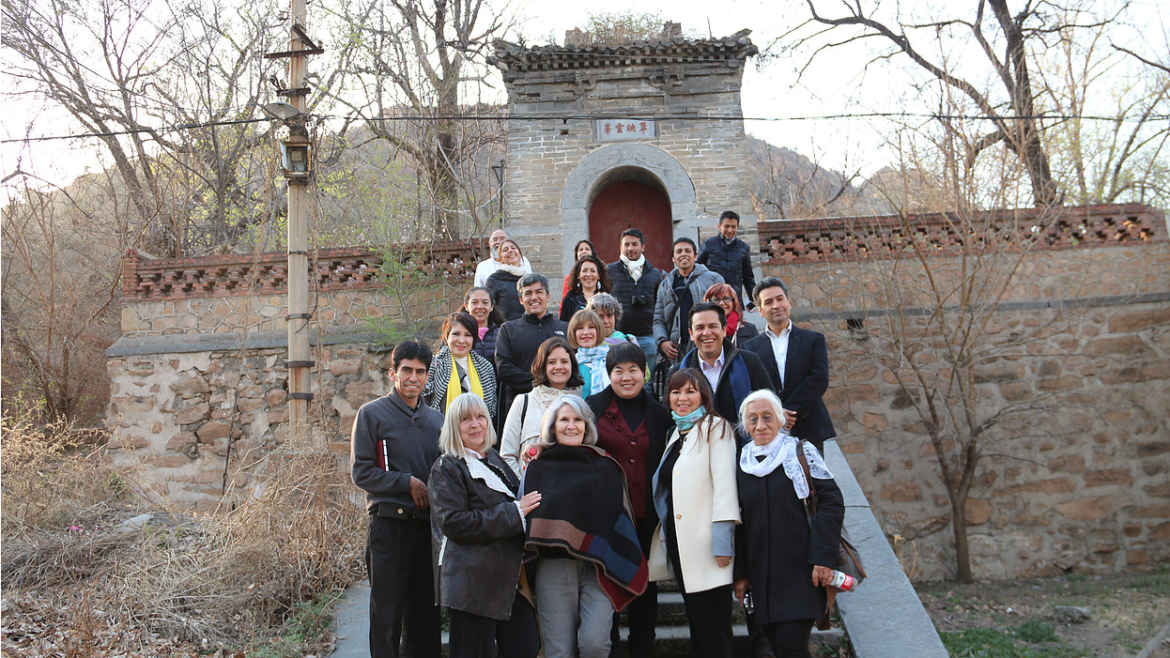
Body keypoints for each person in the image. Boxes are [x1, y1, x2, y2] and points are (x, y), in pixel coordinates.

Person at [521, 396, 649, 658]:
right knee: (559, 651)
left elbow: (618, 520)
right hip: (553, 568)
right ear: (552, 426)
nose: (571, 426)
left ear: (587, 426)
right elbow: (525, 519)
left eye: (578, 420)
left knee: (595, 645)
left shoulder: (605, 466)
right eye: (564, 420)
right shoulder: (537, 467)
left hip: (598, 567)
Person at [427, 393, 542, 658]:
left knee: (525, 647)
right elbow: (455, 523)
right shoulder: (446, 467)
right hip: (471, 584)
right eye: (465, 419)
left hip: (508, 578)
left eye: (480, 416)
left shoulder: (494, 461)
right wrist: (513, 513)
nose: (475, 424)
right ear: (453, 427)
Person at [350, 340, 443, 658]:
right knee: (386, 617)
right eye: (406, 370)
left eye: (420, 372)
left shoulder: (437, 421)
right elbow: (361, 472)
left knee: (424, 620)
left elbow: (444, 473)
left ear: (428, 377)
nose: (413, 378)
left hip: (426, 532)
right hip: (389, 527)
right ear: (393, 373)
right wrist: (407, 483)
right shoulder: (372, 414)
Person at [734, 389, 844, 658]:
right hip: (763, 578)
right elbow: (741, 524)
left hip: (802, 573)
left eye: (767, 417)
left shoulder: (800, 452)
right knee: (777, 649)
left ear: (781, 420)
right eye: (753, 419)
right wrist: (742, 574)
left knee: (791, 649)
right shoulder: (743, 462)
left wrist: (823, 558)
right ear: (745, 426)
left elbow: (832, 504)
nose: (760, 425)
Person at [585, 342, 671, 658]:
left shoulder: (661, 415)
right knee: (607, 587)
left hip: (647, 516)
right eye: (618, 370)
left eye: (633, 369)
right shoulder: (591, 409)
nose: (626, 377)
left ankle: (642, 650)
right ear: (609, 374)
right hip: (606, 517)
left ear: (643, 372)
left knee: (644, 588)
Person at [648, 369, 740, 658]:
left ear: (703, 395)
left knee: (715, 626)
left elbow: (726, 487)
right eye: (676, 392)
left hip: (710, 544)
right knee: (698, 622)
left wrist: (723, 542)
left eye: (690, 391)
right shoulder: (675, 433)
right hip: (682, 544)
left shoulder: (717, 428)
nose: (682, 398)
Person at [741, 277, 835, 453]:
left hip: (808, 426)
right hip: (768, 429)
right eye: (768, 302)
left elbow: (818, 379)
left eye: (779, 299)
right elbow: (753, 386)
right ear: (760, 311)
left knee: (811, 479)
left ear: (789, 303)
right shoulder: (750, 348)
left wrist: (790, 411)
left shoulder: (813, 340)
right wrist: (776, 414)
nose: (776, 305)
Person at [667, 302, 772, 426]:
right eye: (700, 328)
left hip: (742, 443)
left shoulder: (749, 362)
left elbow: (768, 405)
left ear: (724, 330)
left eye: (713, 326)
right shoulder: (678, 372)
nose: (706, 333)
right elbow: (669, 418)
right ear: (691, 334)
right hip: (695, 442)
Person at [498, 336, 582, 476]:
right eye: (552, 362)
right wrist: (523, 488)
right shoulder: (523, 402)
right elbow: (507, 455)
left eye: (564, 361)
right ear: (542, 366)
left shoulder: (582, 404)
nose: (559, 367)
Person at [494, 273, 570, 414]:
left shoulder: (564, 328)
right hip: (522, 407)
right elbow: (504, 369)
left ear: (547, 296)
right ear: (521, 300)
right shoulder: (508, 329)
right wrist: (544, 381)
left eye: (539, 292)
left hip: (561, 406)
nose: (534, 297)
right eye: (528, 293)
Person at [654, 237, 723, 363]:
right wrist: (662, 341)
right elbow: (658, 318)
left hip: (706, 343)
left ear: (695, 256)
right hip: (677, 349)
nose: (683, 254)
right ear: (673, 258)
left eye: (687, 251)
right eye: (679, 251)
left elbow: (724, 312)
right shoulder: (665, 285)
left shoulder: (713, 279)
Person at [607, 228, 664, 372]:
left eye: (634, 244)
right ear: (620, 247)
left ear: (642, 247)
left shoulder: (655, 274)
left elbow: (660, 305)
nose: (630, 248)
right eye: (626, 245)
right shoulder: (609, 271)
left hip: (647, 336)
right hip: (618, 336)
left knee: (648, 380)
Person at [424, 312, 498, 421]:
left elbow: (491, 409)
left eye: (467, 335)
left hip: (477, 431)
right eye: (456, 334)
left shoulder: (485, 367)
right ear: (446, 337)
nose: (461, 340)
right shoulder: (433, 365)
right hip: (441, 433)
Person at [697, 211, 757, 311]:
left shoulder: (743, 248)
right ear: (719, 226)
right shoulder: (708, 244)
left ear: (737, 227)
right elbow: (697, 270)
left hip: (734, 301)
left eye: (733, 227)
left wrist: (754, 301)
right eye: (726, 226)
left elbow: (748, 277)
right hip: (712, 301)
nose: (730, 230)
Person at [568, 309, 613, 398]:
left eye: (591, 327)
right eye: (580, 328)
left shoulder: (612, 360)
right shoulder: (570, 364)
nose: (586, 332)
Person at [460, 286, 506, 365]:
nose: (480, 307)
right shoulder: (456, 334)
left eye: (485, 303)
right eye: (474, 302)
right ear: (466, 306)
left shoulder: (503, 334)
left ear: (491, 307)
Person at [486, 240, 530, 321]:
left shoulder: (529, 279)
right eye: (505, 250)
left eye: (513, 248)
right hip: (506, 329)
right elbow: (489, 309)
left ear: (520, 254)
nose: (510, 251)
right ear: (501, 259)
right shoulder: (494, 280)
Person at [560, 254, 612, 322]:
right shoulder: (570, 299)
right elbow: (563, 326)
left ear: (598, 275)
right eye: (584, 271)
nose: (588, 274)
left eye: (592, 271)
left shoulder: (606, 298)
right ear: (578, 275)